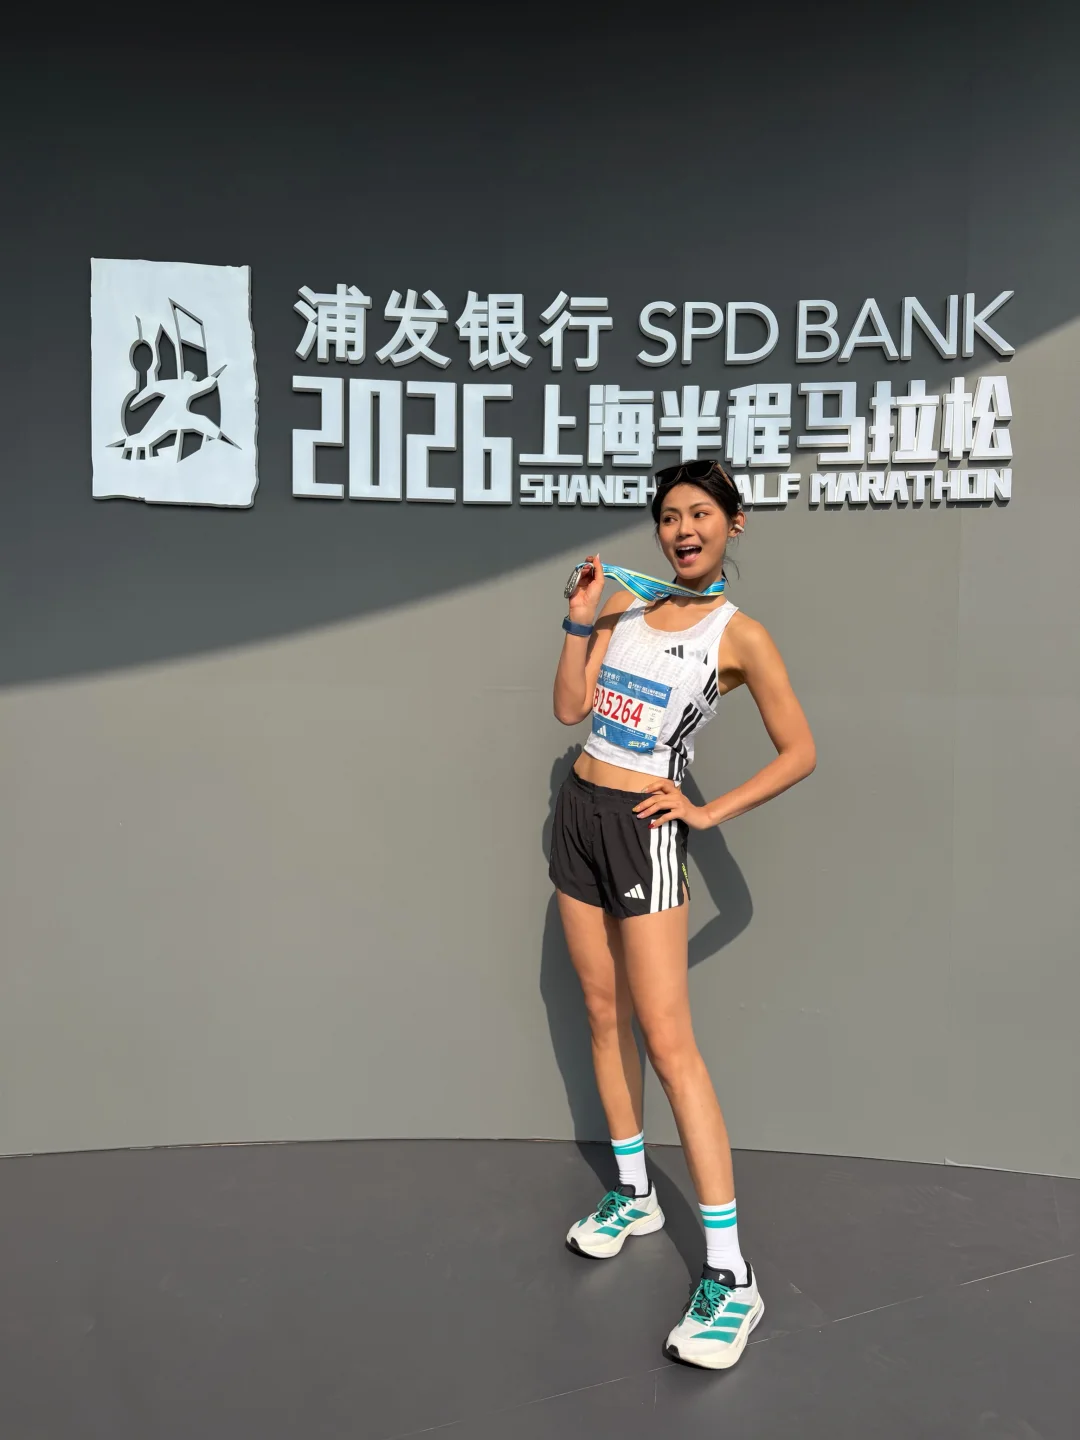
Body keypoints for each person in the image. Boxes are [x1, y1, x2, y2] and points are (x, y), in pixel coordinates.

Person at [550, 459, 816, 1370]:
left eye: (700, 513)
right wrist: (579, 618)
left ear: (733, 523)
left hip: (643, 832)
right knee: (601, 1013)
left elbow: (800, 751)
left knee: (669, 1047)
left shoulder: (739, 636)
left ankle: (732, 1278)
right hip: (578, 818)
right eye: (669, 516)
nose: (682, 529)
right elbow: (570, 708)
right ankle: (634, 1195)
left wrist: (707, 813)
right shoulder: (626, 605)